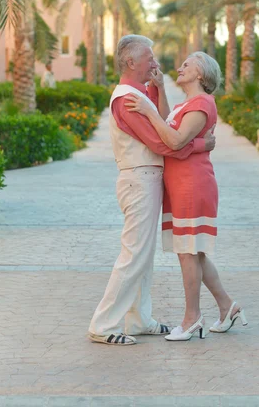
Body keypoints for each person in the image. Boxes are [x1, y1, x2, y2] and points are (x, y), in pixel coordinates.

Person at [88, 36, 216, 346]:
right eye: (149, 58)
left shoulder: (140, 92)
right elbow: (162, 142)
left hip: (147, 178)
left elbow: (164, 121)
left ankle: (139, 319)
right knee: (134, 254)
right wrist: (200, 144)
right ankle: (103, 325)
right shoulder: (126, 99)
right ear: (131, 63)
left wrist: (157, 89)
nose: (156, 63)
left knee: (143, 256)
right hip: (139, 179)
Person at [126, 51, 247, 341]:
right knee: (196, 252)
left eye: (187, 65)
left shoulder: (202, 103)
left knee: (188, 252)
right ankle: (227, 307)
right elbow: (172, 129)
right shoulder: (189, 104)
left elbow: (175, 141)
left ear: (201, 74)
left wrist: (147, 109)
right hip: (183, 183)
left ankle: (192, 319)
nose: (179, 67)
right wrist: (160, 91)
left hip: (193, 185)